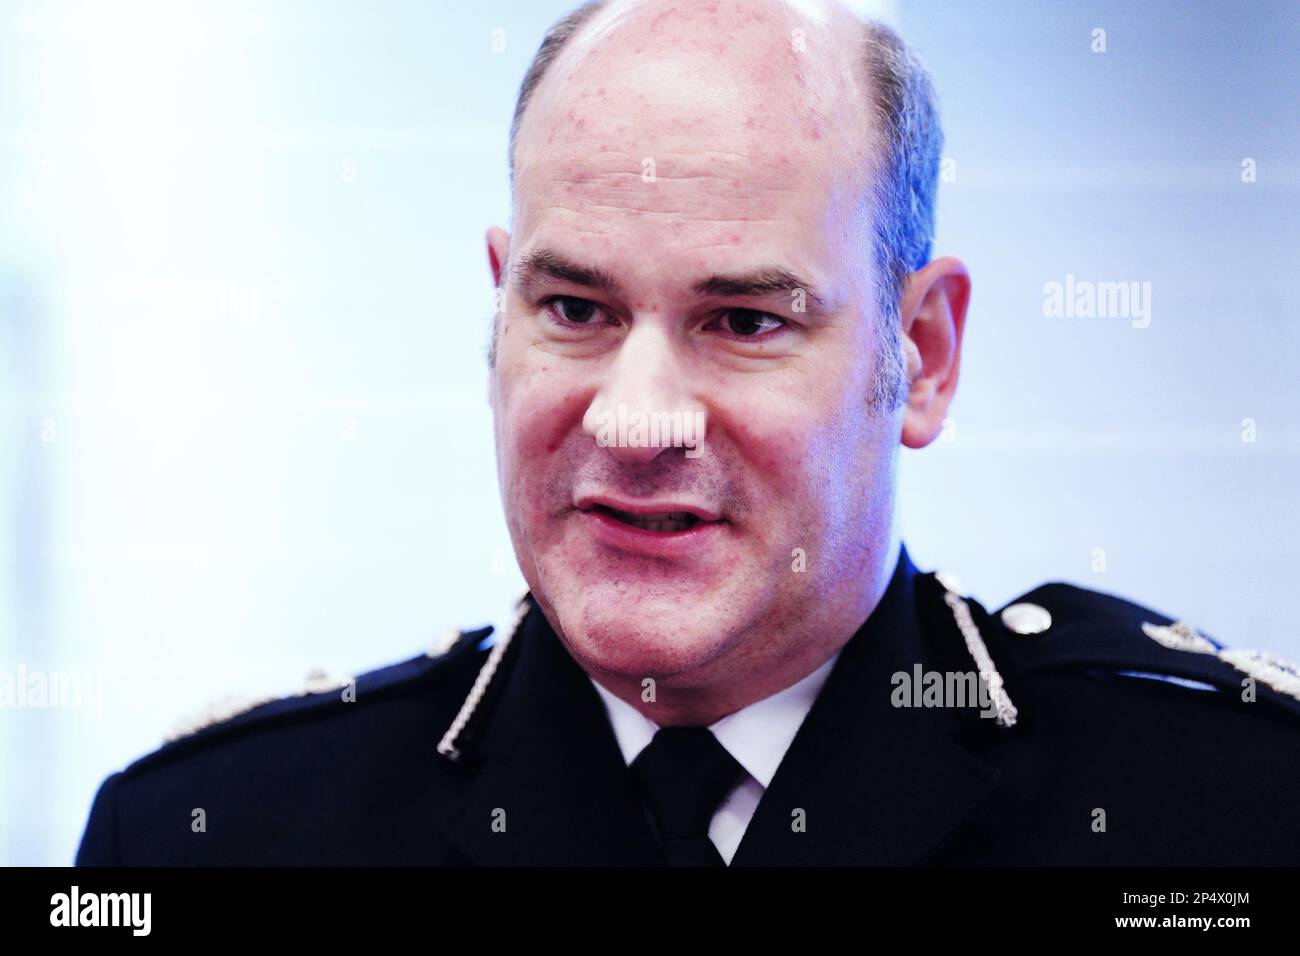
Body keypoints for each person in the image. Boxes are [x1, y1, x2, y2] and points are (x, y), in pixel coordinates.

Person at [77, 0, 1300, 866]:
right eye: (572, 308)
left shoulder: (1222, 806)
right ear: (497, 307)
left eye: (743, 319)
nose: (635, 417)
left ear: (919, 355)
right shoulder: (222, 832)